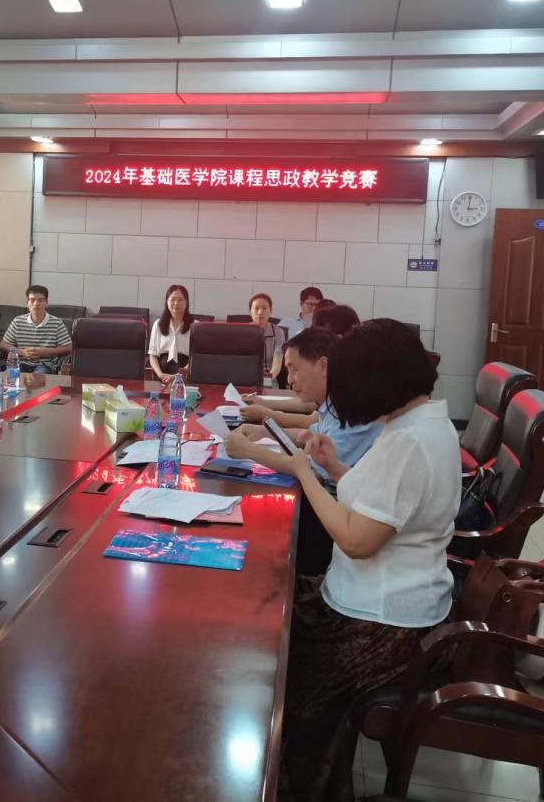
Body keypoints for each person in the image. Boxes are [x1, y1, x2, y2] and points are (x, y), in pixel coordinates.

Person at [224, 319, 458, 800]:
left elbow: (356, 539)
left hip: (380, 621)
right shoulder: (421, 424)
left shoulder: (409, 441)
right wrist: (333, 466)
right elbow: (384, 504)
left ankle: (295, 783)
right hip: (378, 598)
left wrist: (304, 472)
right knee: (265, 603)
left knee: (273, 656)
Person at [232, 328, 382, 481]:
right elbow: (312, 436)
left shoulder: (350, 411)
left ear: (323, 366)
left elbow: (311, 472)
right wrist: (264, 432)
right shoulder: (334, 401)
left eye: (294, 370)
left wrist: (248, 450)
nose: (289, 380)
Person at [241, 304, 361, 425]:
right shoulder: (339, 372)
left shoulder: (353, 380)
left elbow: (312, 422)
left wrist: (268, 415)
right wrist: (261, 402)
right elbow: (311, 406)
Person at [0, 285, 73, 374]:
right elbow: (3, 344)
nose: (36, 304)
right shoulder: (18, 321)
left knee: (36, 378)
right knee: (11, 376)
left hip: (45, 365)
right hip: (20, 363)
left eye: (40, 300)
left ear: (46, 303)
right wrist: (22, 352)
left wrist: (48, 352)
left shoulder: (57, 323)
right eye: (32, 300)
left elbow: (69, 347)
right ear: (27, 303)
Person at [148, 284, 194, 380]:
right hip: (161, 373)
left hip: (185, 374)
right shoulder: (158, 324)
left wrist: (178, 376)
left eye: (180, 300)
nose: (176, 303)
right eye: (173, 299)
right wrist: (160, 374)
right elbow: (153, 355)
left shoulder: (194, 326)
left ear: (187, 302)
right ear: (167, 301)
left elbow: (196, 359)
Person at [248, 292, 286, 385]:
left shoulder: (278, 332)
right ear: (250, 312)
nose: (260, 312)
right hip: (246, 377)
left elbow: (277, 363)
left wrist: (267, 380)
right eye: (256, 308)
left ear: (270, 311)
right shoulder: (242, 331)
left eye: (264, 308)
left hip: (269, 377)